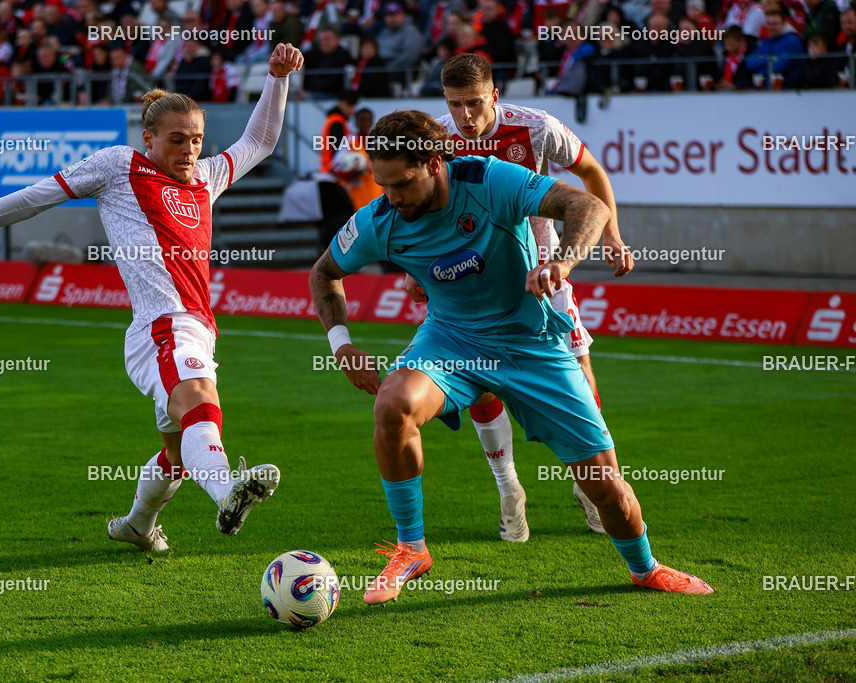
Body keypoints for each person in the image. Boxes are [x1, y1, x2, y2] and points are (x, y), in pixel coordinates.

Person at [0, 43, 305, 552]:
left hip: (195, 328)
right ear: (149, 137)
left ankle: (137, 525)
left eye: (196, 140)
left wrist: (276, 77)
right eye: (176, 140)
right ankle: (228, 492)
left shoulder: (205, 176)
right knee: (201, 402)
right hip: (162, 325)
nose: (188, 151)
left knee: (177, 454)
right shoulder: (118, 166)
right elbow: (31, 198)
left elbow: (262, 141)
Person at [308, 110, 715, 604]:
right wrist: (342, 345)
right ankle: (411, 547)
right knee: (393, 404)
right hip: (452, 342)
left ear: (435, 163)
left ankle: (645, 567)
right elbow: (324, 273)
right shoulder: (381, 219)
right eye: (382, 185)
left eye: (401, 184)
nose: (390, 197)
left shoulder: (490, 179)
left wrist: (562, 260)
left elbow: (587, 205)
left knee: (603, 484)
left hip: (532, 343)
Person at [409, 53, 633, 543]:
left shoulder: (536, 128)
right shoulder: (439, 140)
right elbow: (426, 208)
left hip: (543, 274)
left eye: (473, 104)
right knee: (480, 382)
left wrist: (612, 233)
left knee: (579, 371)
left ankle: (589, 482)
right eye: (454, 105)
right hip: (471, 276)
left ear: (494, 95)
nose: (464, 117)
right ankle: (509, 489)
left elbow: (592, 174)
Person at [745, 10, 805, 88]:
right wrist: (771, 59)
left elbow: (779, 67)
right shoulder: (766, 41)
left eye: (775, 24)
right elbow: (749, 63)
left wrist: (762, 60)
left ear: (784, 24)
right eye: (769, 24)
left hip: (788, 92)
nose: (771, 27)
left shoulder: (792, 42)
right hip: (765, 90)